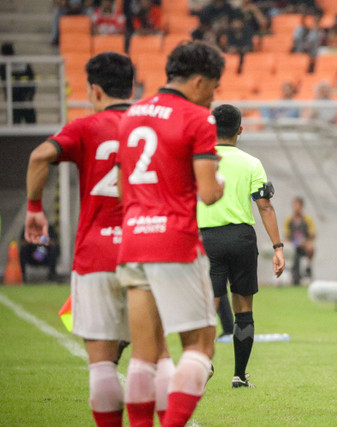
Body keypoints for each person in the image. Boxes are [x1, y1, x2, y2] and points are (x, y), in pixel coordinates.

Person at [25, 52, 176, 426]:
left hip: (95, 254)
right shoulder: (151, 127)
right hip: (146, 248)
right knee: (157, 356)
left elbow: (40, 155)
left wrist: (34, 207)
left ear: (94, 90)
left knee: (102, 363)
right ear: (133, 87)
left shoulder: (85, 127)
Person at [116, 40, 225, 427]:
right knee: (200, 344)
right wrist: (220, 181)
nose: (213, 96)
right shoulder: (197, 118)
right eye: (213, 87)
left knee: (144, 356)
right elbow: (210, 194)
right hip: (174, 241)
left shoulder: (131, 115)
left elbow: (120, 185)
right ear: (198, 82)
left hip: (133, 241)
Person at [197, 103, 285, 388]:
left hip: (207, 238)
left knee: (207, 306)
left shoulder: (198, 160)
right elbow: (265, 206)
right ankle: (239, 375)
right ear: (240, 130)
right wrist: (278, 246)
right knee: (243, 308)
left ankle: (203, 362)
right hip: (241, 239)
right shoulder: (251, 162)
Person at [0, 42, 37, 124]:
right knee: (19, 124)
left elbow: (32, 81)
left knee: (29, 125)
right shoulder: (4, 67)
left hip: (22, 99)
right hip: (19, 100)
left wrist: (29, 96)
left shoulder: (3, 67)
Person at [283, 196, 315, 285]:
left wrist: (304, 241)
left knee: (311, 247)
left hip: (303, 244)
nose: (296, 208)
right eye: (294, 205)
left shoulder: (307, 220)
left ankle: (308, 267)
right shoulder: (289, 220)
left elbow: (312, 235)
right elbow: (286, 235)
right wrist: (291, 242)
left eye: (298, 206)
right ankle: (287, 268)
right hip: (292, 243)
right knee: (284, 246)